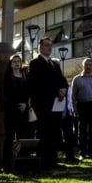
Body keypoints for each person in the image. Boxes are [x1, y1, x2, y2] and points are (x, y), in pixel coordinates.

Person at [28, 37, 68, 170]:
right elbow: (40, 84)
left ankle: (53, 160)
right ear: (40, 47)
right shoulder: (35, 63)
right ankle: (43, 161)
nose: (49, 48)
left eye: (51, 45)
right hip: (42, 105)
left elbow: (62, 80)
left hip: (56, 105)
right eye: (46, 45)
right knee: (43, 133)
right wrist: (57, 91)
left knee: (54, 133)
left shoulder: (55, 64)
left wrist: (63, 90)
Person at [2, 54, 31, 172]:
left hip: (24, 110)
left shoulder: (25, 75)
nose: (17, 63)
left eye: (18, 61)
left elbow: (28, 91)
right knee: (9, 137)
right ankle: (8, 165)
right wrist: (16, 105)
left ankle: (22, 164)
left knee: (22, 136)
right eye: (14, 61)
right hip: (11, 110)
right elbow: (6, 93)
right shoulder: (7, 76)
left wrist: (25, 103)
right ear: (10, 64)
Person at [71, 58, 92, 159]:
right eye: (86, 65)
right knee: (82, 131)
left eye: (90, 65)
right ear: (83, 66)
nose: (88, 67)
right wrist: (75, 110)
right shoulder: (76, 79)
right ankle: (82, 153)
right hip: (82, 106)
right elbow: (73, 97)